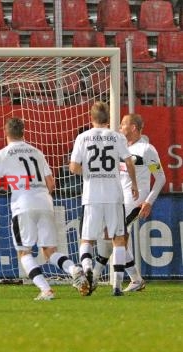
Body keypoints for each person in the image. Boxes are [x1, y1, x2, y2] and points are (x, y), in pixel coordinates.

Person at [0, 117, 89, 300]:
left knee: (24, 251)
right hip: (45, 202)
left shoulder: (3, 154)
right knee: (50, 251)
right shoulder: (36, 152)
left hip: (23, 205)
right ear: (23, 132)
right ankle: (74, 269)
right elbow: (51, 183)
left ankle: (46, 290)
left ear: (6, 132)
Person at [69, 102, 138, 296]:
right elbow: (129, 162)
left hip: (91, 196)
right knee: (118, 239)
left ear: (91, 118)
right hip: (114, 196)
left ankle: (88, 268)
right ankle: (116, 286)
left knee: (87, 239)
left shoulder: (82, 137)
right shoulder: (117, 137)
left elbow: (73, 167)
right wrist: (133, 184)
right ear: (109, 118)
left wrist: (89, 173)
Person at [93, 114, 165, 292]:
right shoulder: (120, 147)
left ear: (133, 127)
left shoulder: (147, 150)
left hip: (135, 200)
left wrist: (148, 202)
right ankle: (135, 279)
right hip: (118, 199)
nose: (119, 127)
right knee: (118, 238)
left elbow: (161, 178)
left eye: (123, 124)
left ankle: (93, 276)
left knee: (113, 234)